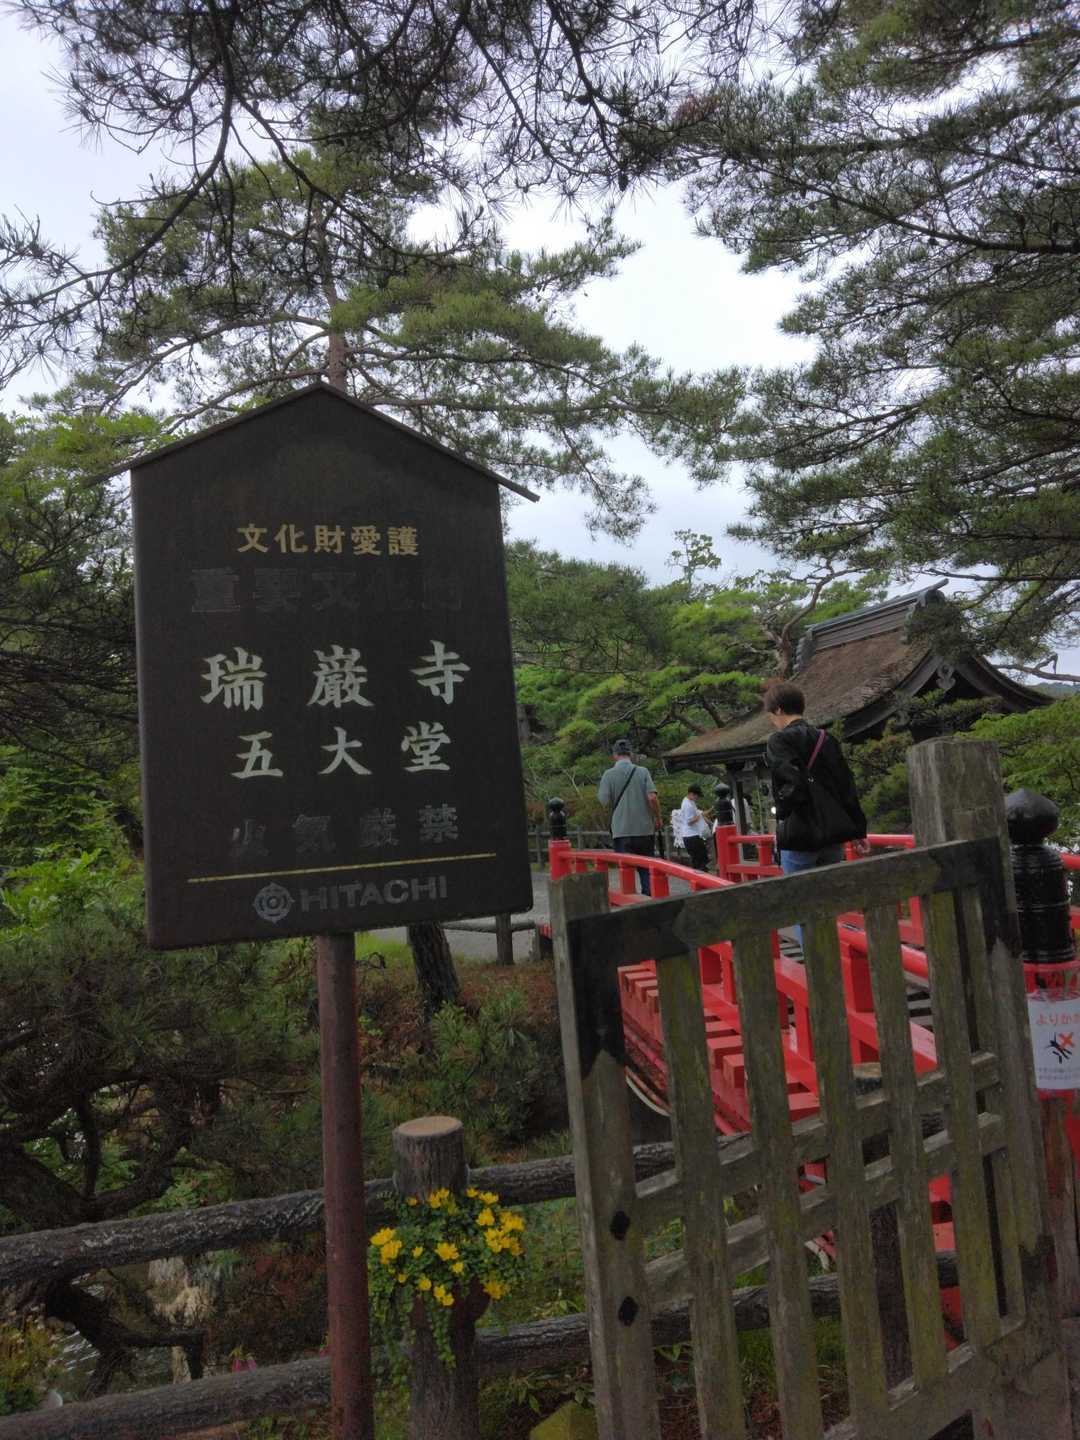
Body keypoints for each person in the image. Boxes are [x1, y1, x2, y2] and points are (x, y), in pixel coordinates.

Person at [763, 681, 868, 888]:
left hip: (800, 833)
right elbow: (846, 786)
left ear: (779, 709)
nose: (772, 720)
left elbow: (792, 783)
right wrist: (858, 830)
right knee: (829, 897)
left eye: (770, 714)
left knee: (799, 898)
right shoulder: (826, 738)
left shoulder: (779, 740)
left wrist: (783, 812)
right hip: (832, 833)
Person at [598, 739, 662, 895]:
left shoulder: (608, 774)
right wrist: (658, 818)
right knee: (646, 867)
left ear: (615, 755)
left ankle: (629, 900)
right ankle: (648, 897)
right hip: (644, 829)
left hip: (621, 830)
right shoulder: (643, 771)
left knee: (625, 868)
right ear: (631, 754)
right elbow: (652, 797)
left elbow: (603, 801)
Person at [679, 784, 712, 871]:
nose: (697, 798)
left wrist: (703, 815)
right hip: (691, 836)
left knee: (700, 859)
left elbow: (696, 814)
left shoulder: (690, 801)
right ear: (691, 793)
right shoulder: (687, 805)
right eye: (697, 795)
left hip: (692, 835)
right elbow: (689, 821)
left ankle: (701, 876)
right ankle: (701, 877)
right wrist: (700, 815)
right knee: (700, 860)